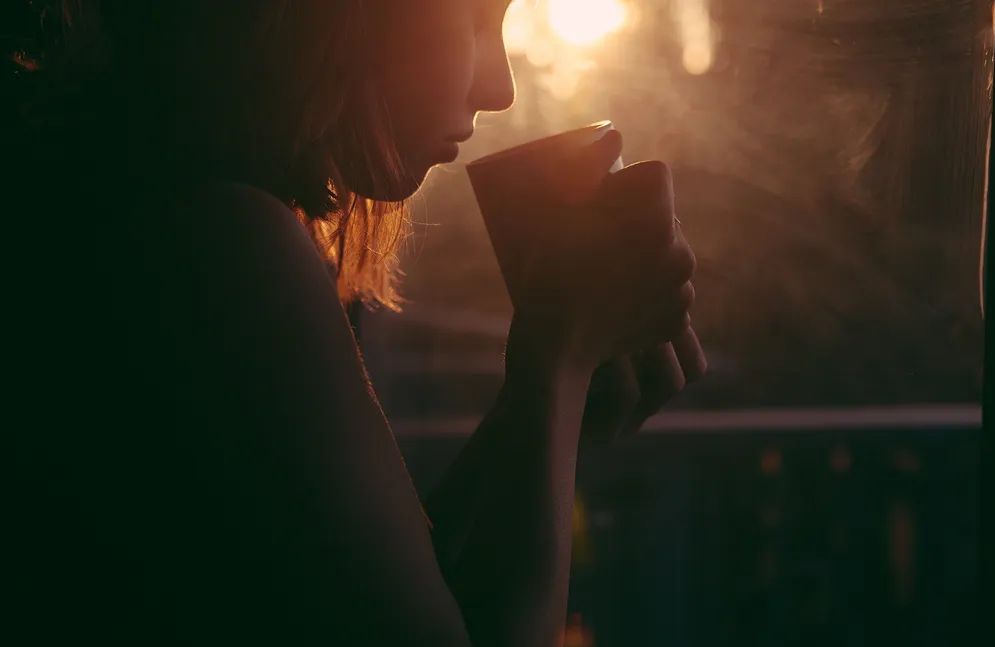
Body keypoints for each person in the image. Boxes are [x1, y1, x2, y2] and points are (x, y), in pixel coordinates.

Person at [5, 1, 701, 645]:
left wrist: (538, 414)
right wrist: (560, 356)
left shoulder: (155, 200)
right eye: (478, 20)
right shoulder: (220, 241)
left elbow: (389, 593)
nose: (501, 88)